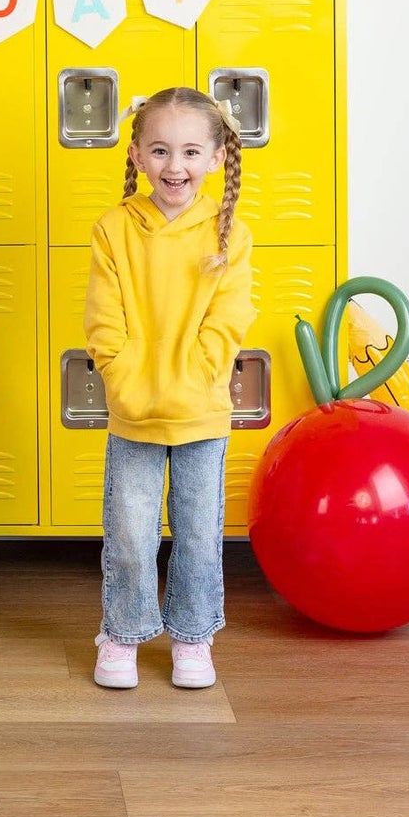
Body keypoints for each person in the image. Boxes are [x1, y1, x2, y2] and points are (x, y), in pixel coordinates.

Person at [83, 86, 255, 690]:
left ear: (215, 158)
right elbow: (105, 323)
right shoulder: (114, 230)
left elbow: (229, 320)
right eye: (159, 150)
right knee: (129, 535)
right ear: (135, 155)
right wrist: (126, 382)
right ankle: (123, 633)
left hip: (202, 414)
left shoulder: (229, 233)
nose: (173, 167)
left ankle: (192, 636)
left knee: (200, 536)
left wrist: (198, 374)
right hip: (134, 412)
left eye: (189, 152)